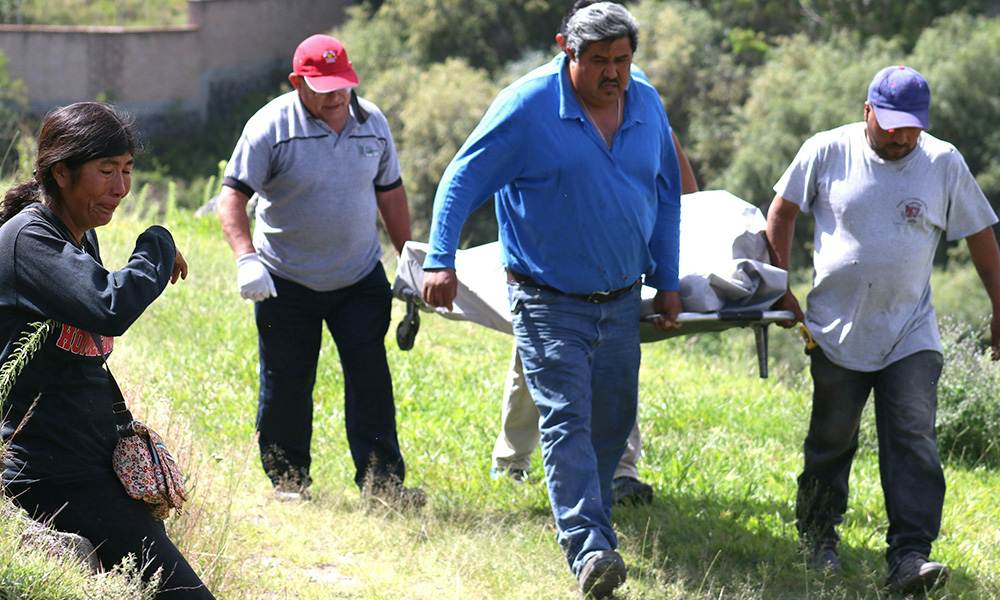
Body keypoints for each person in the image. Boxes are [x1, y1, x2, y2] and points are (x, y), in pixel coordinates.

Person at [422, 4, 683, 598]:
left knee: (611, 422)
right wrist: (440, 259)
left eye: (623, 60)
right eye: (599, 62)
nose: (613, 74)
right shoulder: (528, 105)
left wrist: (667, 280)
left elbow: (666, 194)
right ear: (568, 48)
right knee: (566, 417)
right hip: (547, 297)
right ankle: (589, 549)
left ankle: (597, 527)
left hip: (621, 298)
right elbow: (462, 178)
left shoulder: (645, 100)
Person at [765, 65, 1000, 595]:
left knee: (913, 438)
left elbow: (981, 238)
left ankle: (910, 556)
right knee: (831, 437)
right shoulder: (827, 150)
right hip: (835, 331)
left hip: (910, 333)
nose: (901, 137)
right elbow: (781, 212)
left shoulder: (943, 163)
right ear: (866, 110)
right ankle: (819, 538)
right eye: (891, 124)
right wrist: (779, 284)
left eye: (911, 126)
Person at [0, 102, 213, 598]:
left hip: (90, 468)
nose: (120, 188)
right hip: (54, 477)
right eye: (106, 171)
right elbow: (110, 305)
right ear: (62, 172)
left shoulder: (78, 235)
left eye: (128, 171)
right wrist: (157, 243)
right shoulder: (29, 240)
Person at [218, 34, 423, 507]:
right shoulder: (271, 125)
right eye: (323, 86)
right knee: (286, 381)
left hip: (358, 278)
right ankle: (288, 483)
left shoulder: (372, 123)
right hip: (285, 280)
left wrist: (408, 259)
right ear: (297, 82)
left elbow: (390, 193)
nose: (335, 96)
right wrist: (247, 259)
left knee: (371, 379)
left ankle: (383, 486)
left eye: (343, 85)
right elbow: (233, 197)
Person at [491, 132, 699, 506]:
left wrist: (666, 271)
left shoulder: (649, 119)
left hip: (620, 275)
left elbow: (684, 195)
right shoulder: (549, 117)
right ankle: (512, 462)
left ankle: (620, 472)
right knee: (535, 363)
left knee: (614, 375)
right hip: (551, 276)